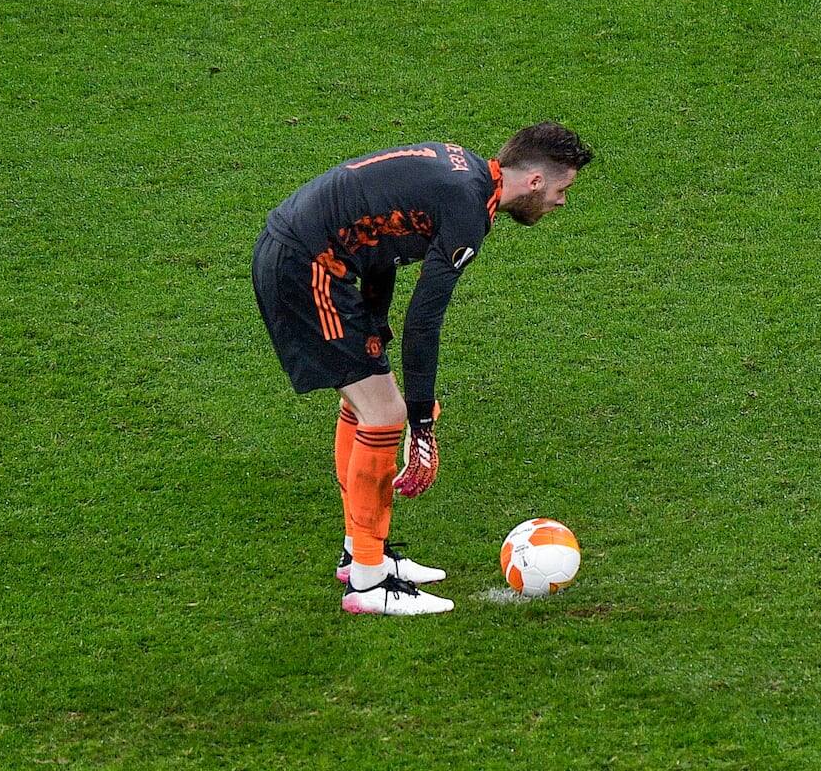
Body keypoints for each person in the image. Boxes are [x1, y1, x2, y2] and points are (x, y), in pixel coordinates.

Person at [251, 122, 592, 615]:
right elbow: (426, 322)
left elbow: (377, 235)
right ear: (536, 181)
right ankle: (367, 586)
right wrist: (422, 423)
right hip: (307, 268)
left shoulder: (463, 170)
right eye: (562, 190)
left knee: (369, 403)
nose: (561, 202)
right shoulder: (468, 208)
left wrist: (372, 330)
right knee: (385, 416)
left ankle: (361, 555)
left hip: (318, 260)